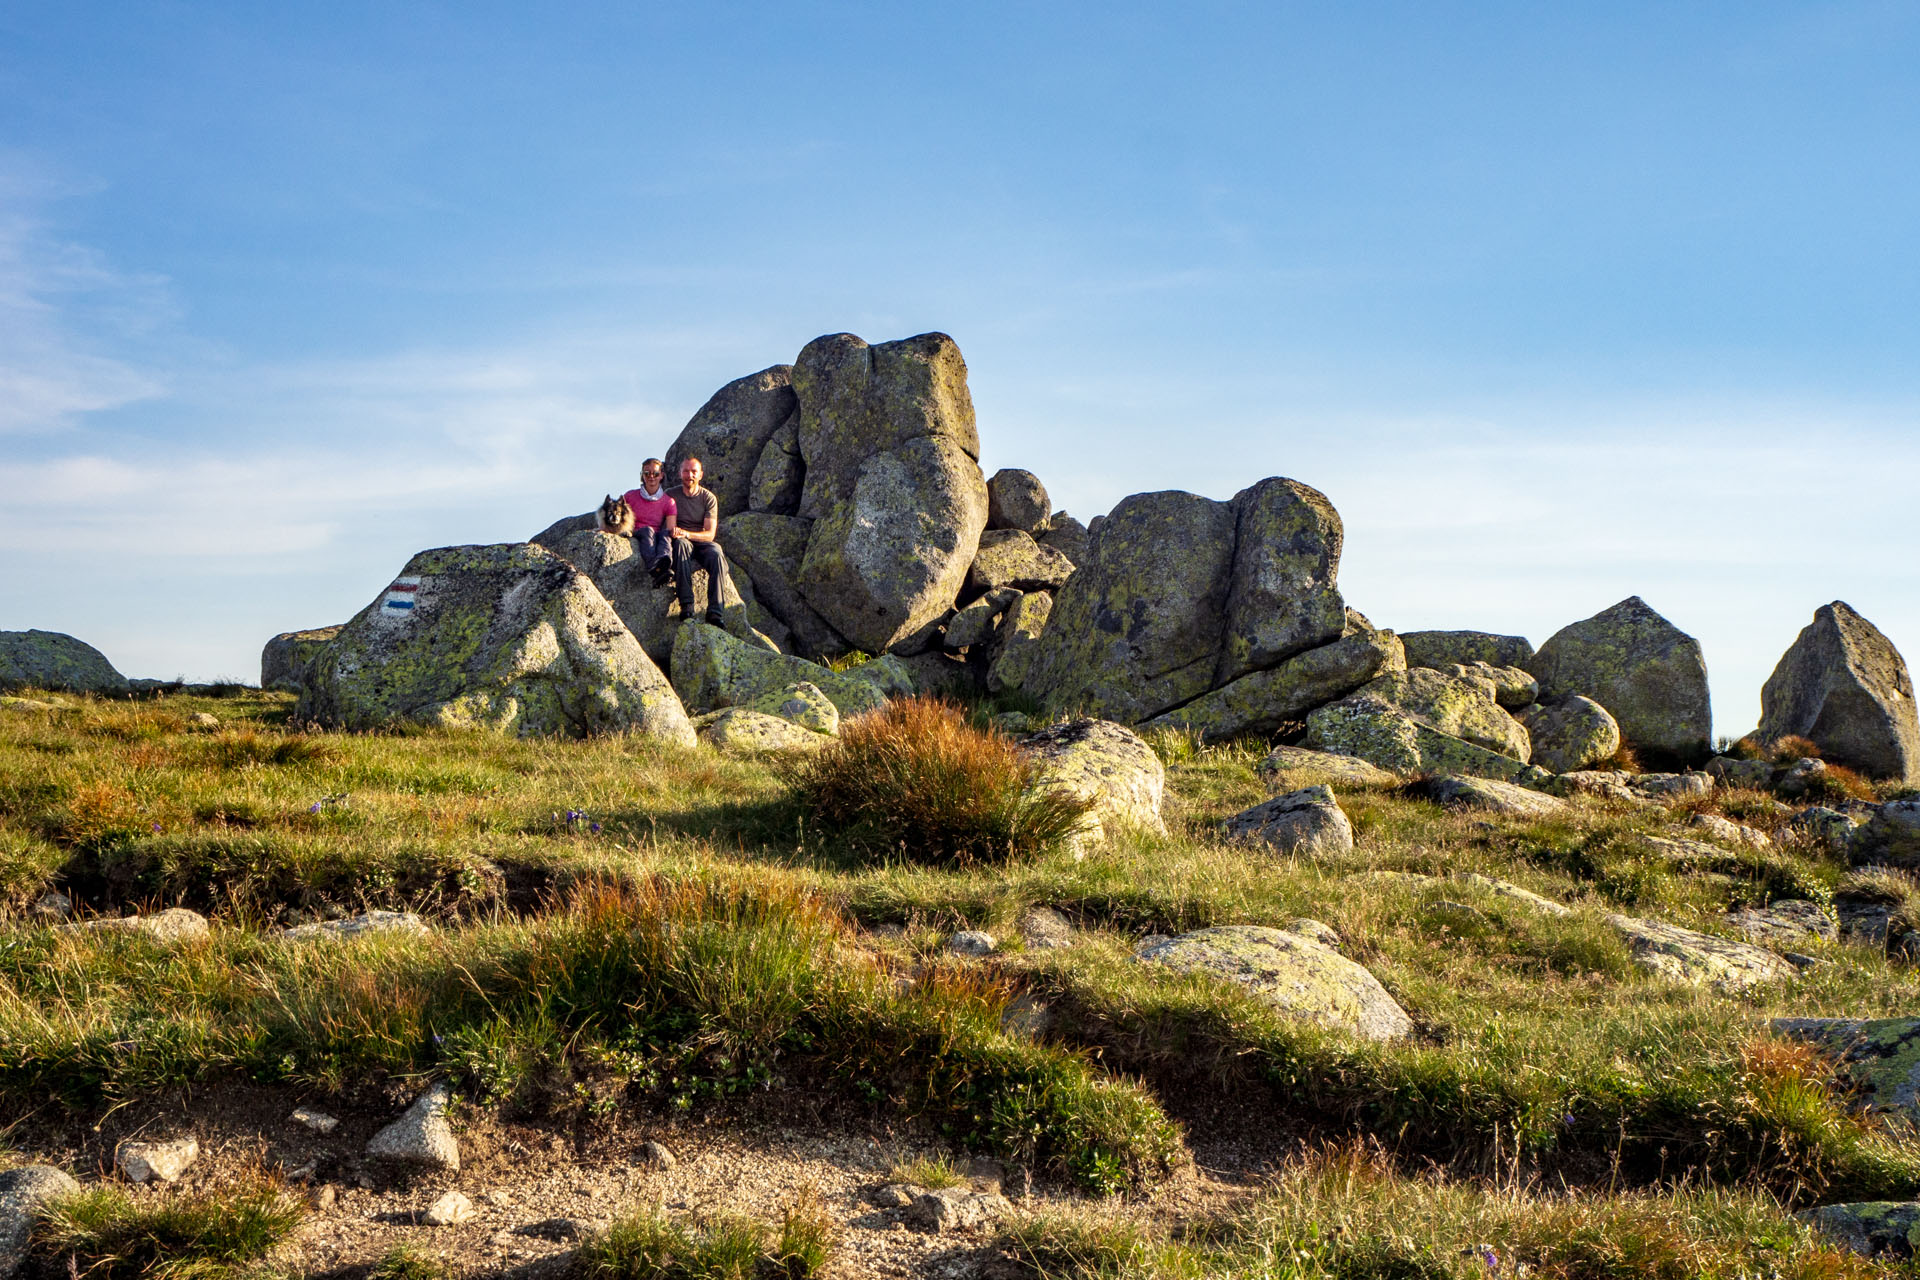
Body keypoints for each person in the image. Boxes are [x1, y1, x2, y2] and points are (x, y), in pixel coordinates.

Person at [668, 456, 730, 627]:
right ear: (680, 473)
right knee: (680, 546)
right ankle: (687, 606)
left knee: (717, 554)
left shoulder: (708, 498)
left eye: (694, 471)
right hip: (681, 541)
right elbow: (668, 526)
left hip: (700, 540)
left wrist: (687, 533)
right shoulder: (671, 496)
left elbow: (710, 534)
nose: (690, 475)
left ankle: (715, 613)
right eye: (686, 471)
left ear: (701, 475)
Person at [620, 459, 678, 588]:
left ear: (661, 475)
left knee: (665, 534)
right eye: (647, 473)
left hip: (655, 535)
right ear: (642, 476)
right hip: (636, 532)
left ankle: (663, 562)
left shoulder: (669, 502)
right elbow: (619, 517)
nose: (651, 477)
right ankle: (654, 567)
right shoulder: (630, 496)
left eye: (655, 474)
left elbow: (670, 528)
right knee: (648, 531)